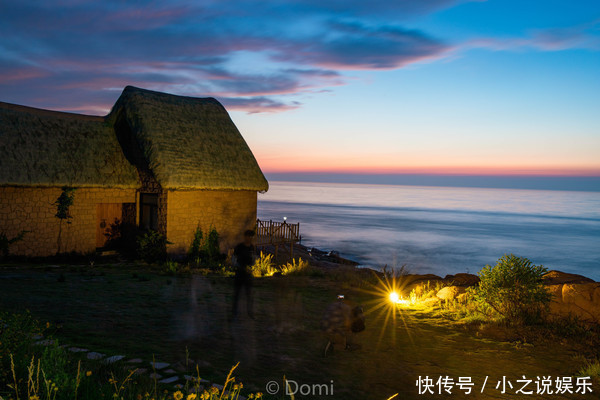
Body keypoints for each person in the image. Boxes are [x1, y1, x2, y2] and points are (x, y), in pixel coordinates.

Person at [231, 229, 256, 319]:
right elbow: (234, 258)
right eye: (249, 236)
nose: (250, 238)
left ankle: (250, 313)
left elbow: (252, 259)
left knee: (249, 294)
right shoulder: (240, 247)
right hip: (239, 273)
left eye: (251, 237)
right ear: (245, 237)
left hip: (248, 274)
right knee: (237, 294)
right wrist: (237, 266)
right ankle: (234, 313)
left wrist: (253, 264)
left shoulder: (251, 247)